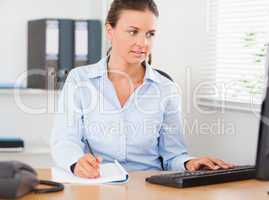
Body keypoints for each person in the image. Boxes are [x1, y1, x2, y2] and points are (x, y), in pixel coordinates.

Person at [51, 0, 233, 179]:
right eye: (133, 32)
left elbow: (173, 156)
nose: (143, 43)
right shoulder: (80, 80)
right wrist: (77, 163)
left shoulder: (166, 89)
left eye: (150, 34)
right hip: (99, 183)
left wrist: (190, 163)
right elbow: (65, 140)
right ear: (109, 31)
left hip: (149, 185)